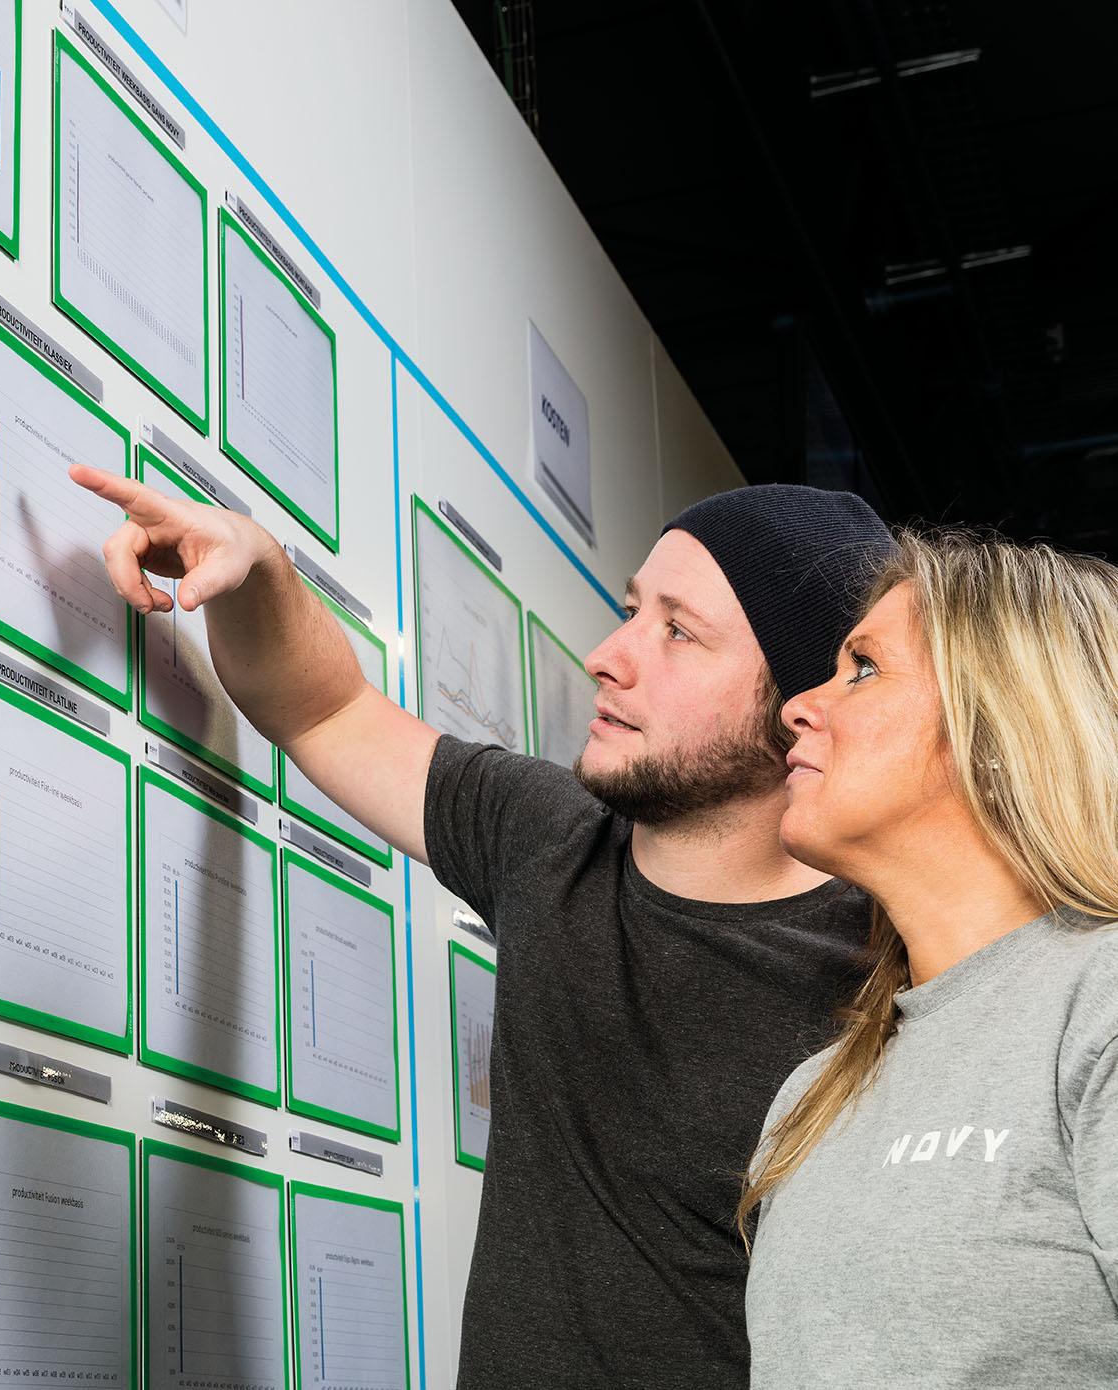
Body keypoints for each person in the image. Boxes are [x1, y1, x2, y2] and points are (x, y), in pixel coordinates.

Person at [70, 465, 893, 1387]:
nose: (607, 655)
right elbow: (325, 708)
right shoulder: (547, 838)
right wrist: (257, 564)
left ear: (801, 707)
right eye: (632, 611)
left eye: (677, 631)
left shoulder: (889, 978)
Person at [743, 531, 1118, 1386]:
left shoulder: (1100, 1004)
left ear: (1000, 729)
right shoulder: (810, 1097)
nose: (797, 707)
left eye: (862, 668)